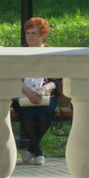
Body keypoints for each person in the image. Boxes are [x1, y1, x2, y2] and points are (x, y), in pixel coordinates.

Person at [14, 17, 60, 164]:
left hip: (46, 94)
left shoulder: (51, 54)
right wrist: (27, 91)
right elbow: (12, 79)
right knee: (26, 113)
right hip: (22, 94)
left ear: (43, 35)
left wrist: (43, 89)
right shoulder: (19, 54)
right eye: (27, 33)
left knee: (45, 113)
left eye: (33, 33)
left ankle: (30, 149)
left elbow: (56, 81)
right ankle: (38, 151)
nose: (29, 36)